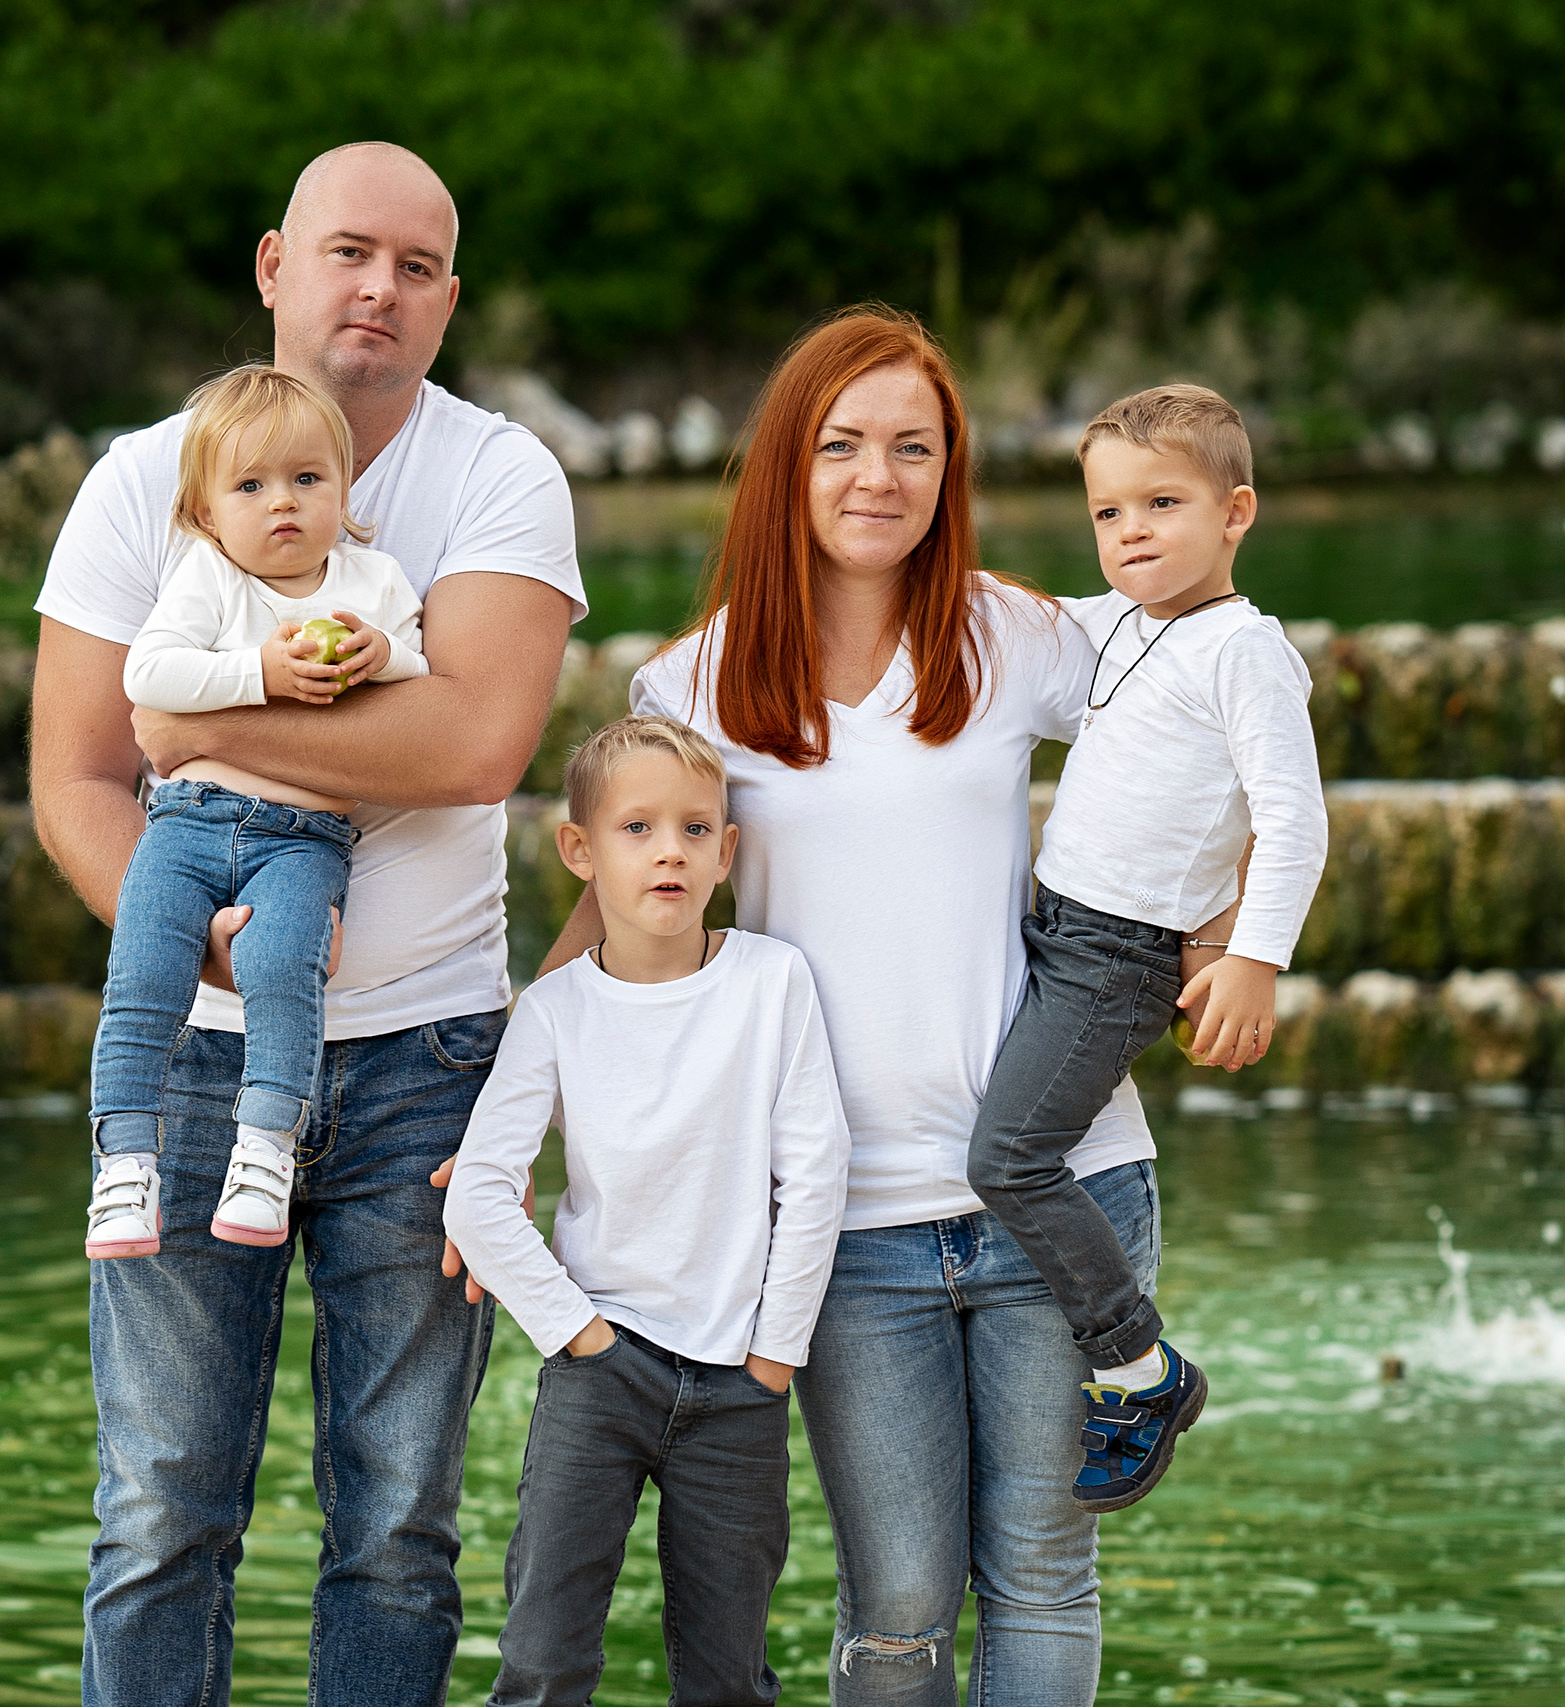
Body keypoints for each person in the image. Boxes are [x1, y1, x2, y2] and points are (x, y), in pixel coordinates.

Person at [532, 307, 1267, 1704]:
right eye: (844, 444)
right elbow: (625, 910)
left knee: (1046, 1576)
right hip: (845, 1222)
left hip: (1061, 1186)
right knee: (903, 1600)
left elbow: (1222, 741)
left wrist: (1228, 931)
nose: (880, 475)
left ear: (950, 470)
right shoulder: (691, 684)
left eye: (915, 447)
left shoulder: (1021, 635)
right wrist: (504, 1112)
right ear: (786, 468)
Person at [28, 142, 584, 1707]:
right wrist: (200, 938)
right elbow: (75, 774)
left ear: (448, 300)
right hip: (195, 1062)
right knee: (156, 1516)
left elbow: (475, 746)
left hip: (431, 1061)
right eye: (350, 253)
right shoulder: (147, 480)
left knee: (399, 1524)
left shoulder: (495, 477)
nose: (378, 291)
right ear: (275, 264)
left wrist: (197, 731)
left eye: (416, 268)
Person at [964, 382, 1325, 1512]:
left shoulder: (1244, 652)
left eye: (1161, 504)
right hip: (1047, 921)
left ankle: (1137, 1365)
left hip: (1121, 957)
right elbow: (998, 610)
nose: (1131, 534)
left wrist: (1250, 956)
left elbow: (1295, 817)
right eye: (1109, 514)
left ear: (1236, 511)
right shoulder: (1115, 622)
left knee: (1008, 1156)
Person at [444, 715, 850, 1707]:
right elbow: (481, 1195)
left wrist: (774, 1355)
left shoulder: (770, 982)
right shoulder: (552, 1013)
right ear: (579, 850)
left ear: (726, 853)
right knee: (542, 1657)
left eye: (695, 829)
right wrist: (576, 1332)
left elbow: (817, 1168)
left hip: (737, 1384)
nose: (670, 848)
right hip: (599, 1375)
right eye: (637, 828)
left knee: (726, 1675)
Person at [83, 361, 428, 1257]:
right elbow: (146, 676)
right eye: (251, 485)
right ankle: (124, 1164)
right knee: (143, 970)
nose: (283, 503)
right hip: (186, 823)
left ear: (343, 489)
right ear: (206, 514)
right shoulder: (206, 579)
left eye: (307, 479)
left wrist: (379, 650)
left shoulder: (372, 582)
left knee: (282, 966)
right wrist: (262, 674)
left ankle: (267, 1147)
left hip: (305, 838)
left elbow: (421, 674)